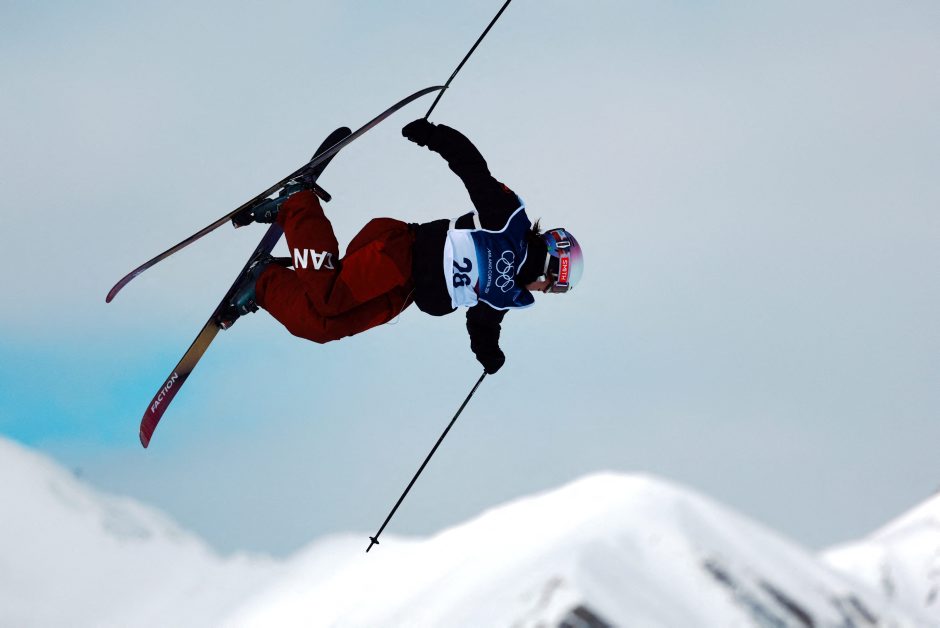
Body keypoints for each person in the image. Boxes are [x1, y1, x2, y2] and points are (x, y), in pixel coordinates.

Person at [226, 119, 583, 374]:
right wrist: (434, 136)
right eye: (554, 286)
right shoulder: (509, 223)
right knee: (330, 297)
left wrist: (489, 354)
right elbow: (474, 170)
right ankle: (297, 202)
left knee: (324, 326)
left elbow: (483, 325)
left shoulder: (508, 296)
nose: (546, 292)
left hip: (404, 292)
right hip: (400, 252)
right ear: (552, 265)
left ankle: (264, 283)